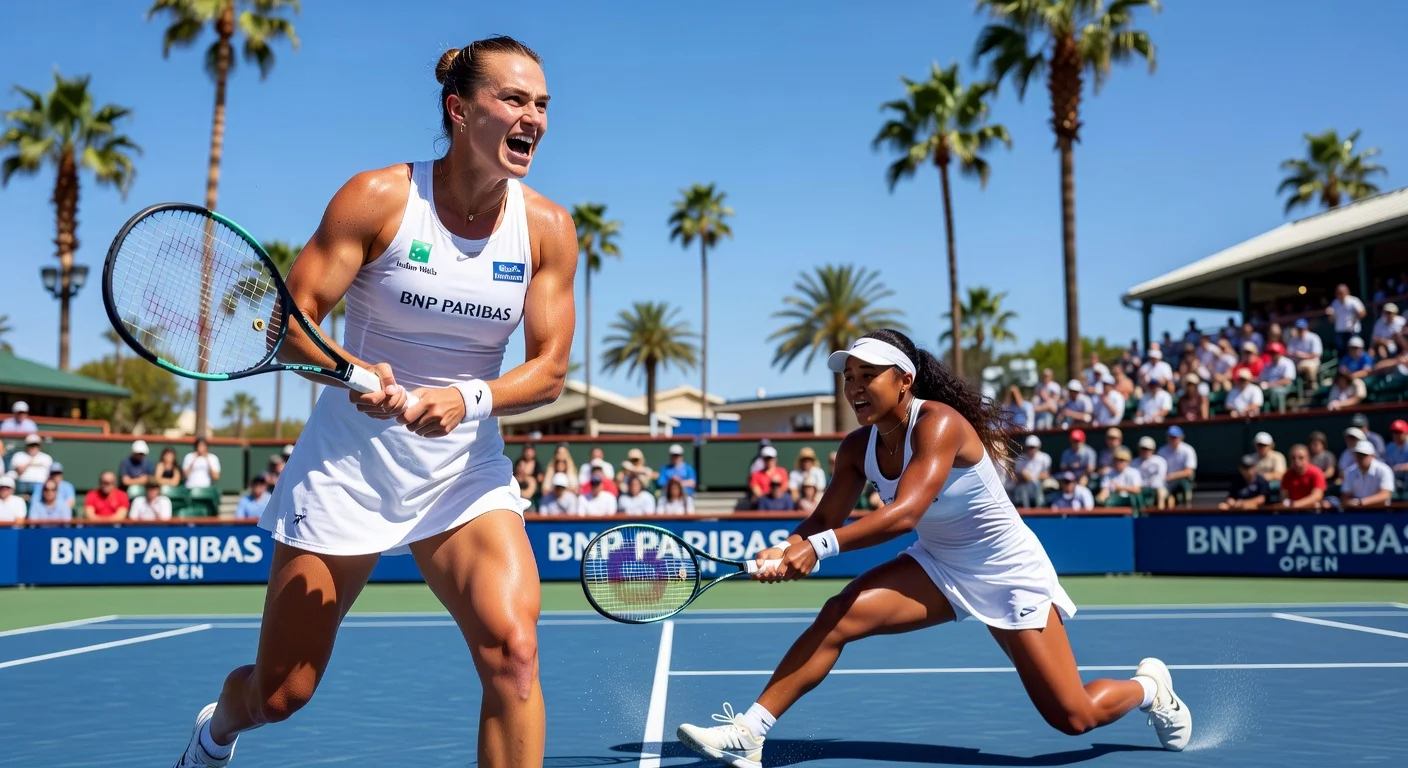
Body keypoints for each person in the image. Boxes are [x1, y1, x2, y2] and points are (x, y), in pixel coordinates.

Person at [171, 36, 575, 768]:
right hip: (347, 469)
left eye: (541, 104)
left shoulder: (547, 228)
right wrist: (356, 370)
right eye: (513, 99)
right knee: (281, 694)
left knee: (515, 655)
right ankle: (217, 731)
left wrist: (465, 398)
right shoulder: (380, 198)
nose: (533, 118)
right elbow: (287, 329)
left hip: (462, 475)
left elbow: (548, 373)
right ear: (459, 110)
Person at [675, 330, 1190, 768]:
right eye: (848, 376)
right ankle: (750, 733)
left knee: (1074, 717)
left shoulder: (939, 423)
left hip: (1007, 572)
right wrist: (788, 545)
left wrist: (818, 549)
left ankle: (1149, 689)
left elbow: (904, 515)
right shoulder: (857, 447)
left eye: (867, 375)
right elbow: (824, 519)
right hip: (940, 565)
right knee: (840, 614)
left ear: (904, 380)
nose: (854, 387)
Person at [1341, 442, 1394, 508]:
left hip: (1381, 512)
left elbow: (1385, 495)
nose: (1360, 458)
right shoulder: (1349, 472)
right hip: (1357, 512)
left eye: (1364, 455)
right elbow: (1346, 495)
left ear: (1372, 456)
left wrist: (1361, 502)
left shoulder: (1384, 470)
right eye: (1358, 455)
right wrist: (1356, 503)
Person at [1279, 444, 1326, 509]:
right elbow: (1284, 496)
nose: (1297, 461)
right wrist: (1288, 504)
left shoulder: (1316, 472)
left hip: (1313, 512)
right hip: (1292, 513)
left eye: (1301, 458)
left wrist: (1296, 504)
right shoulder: (1287, 475)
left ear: (1308, 458)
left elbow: (1317, 496)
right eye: (1293, 458)